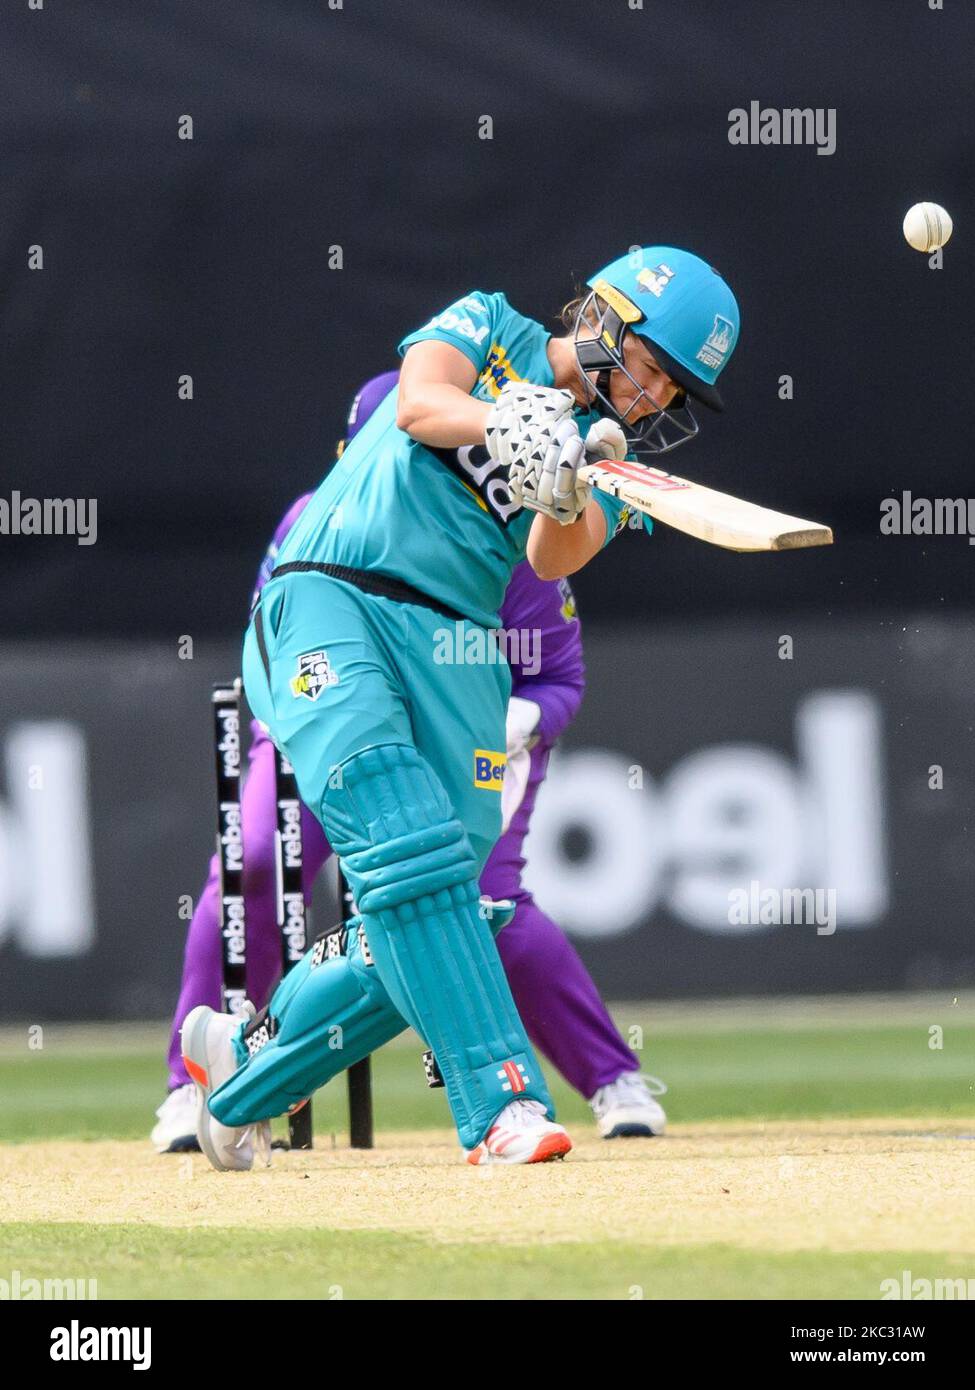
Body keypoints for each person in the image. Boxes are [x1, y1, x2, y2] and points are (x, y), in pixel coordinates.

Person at [181, 246, 739, 1167]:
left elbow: (555, 559)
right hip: (336, 591)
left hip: (458, 646)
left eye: (671, 395)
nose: (651, 402)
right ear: (603, 320)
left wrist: (569, 478)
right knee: (402, 841)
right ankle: (502, 1105)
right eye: (651, 372)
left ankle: (239, 1074)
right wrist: (508, 422)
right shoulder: (491, 326)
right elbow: (419, 404)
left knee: (454, 904)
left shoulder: (608, 453)